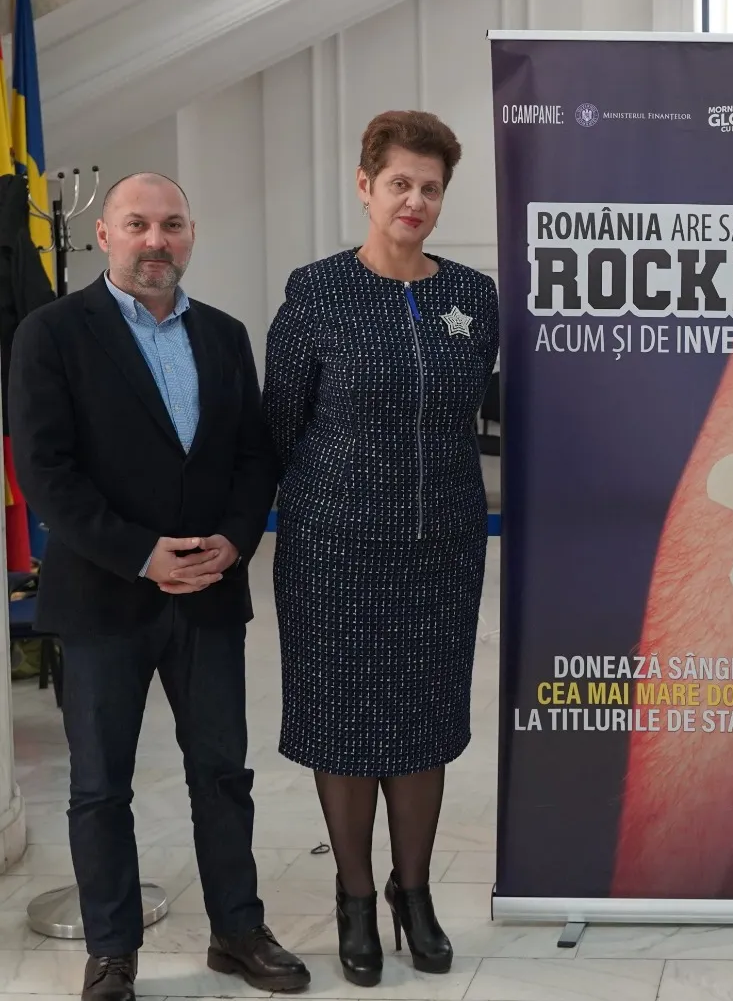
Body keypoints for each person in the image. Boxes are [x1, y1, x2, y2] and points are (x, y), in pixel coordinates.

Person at [7, 172, 307, 1001]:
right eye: (137, 224)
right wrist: (143, 555)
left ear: (191, 235)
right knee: (100, 787)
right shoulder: (50, 333)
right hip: (104, 598)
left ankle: (238, 932)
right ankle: (112, 952)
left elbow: (253, 455)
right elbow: (45, 472)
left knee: (222, 775)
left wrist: (236, 540)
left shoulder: (224, 334)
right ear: (104, 235)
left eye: (171, 224)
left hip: (209, 594)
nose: (155, 240)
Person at [263, 110, 499, 987]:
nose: (415, 200)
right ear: (365, 186)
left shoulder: (473, 296)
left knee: (424, 721)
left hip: (443, 548)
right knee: (345, 723)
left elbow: (476, 413)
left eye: (430, 187)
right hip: (334, 548)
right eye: (400, 183)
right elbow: (279, 424)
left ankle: (415, 892)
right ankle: (356, 898)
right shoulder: (317, 291)